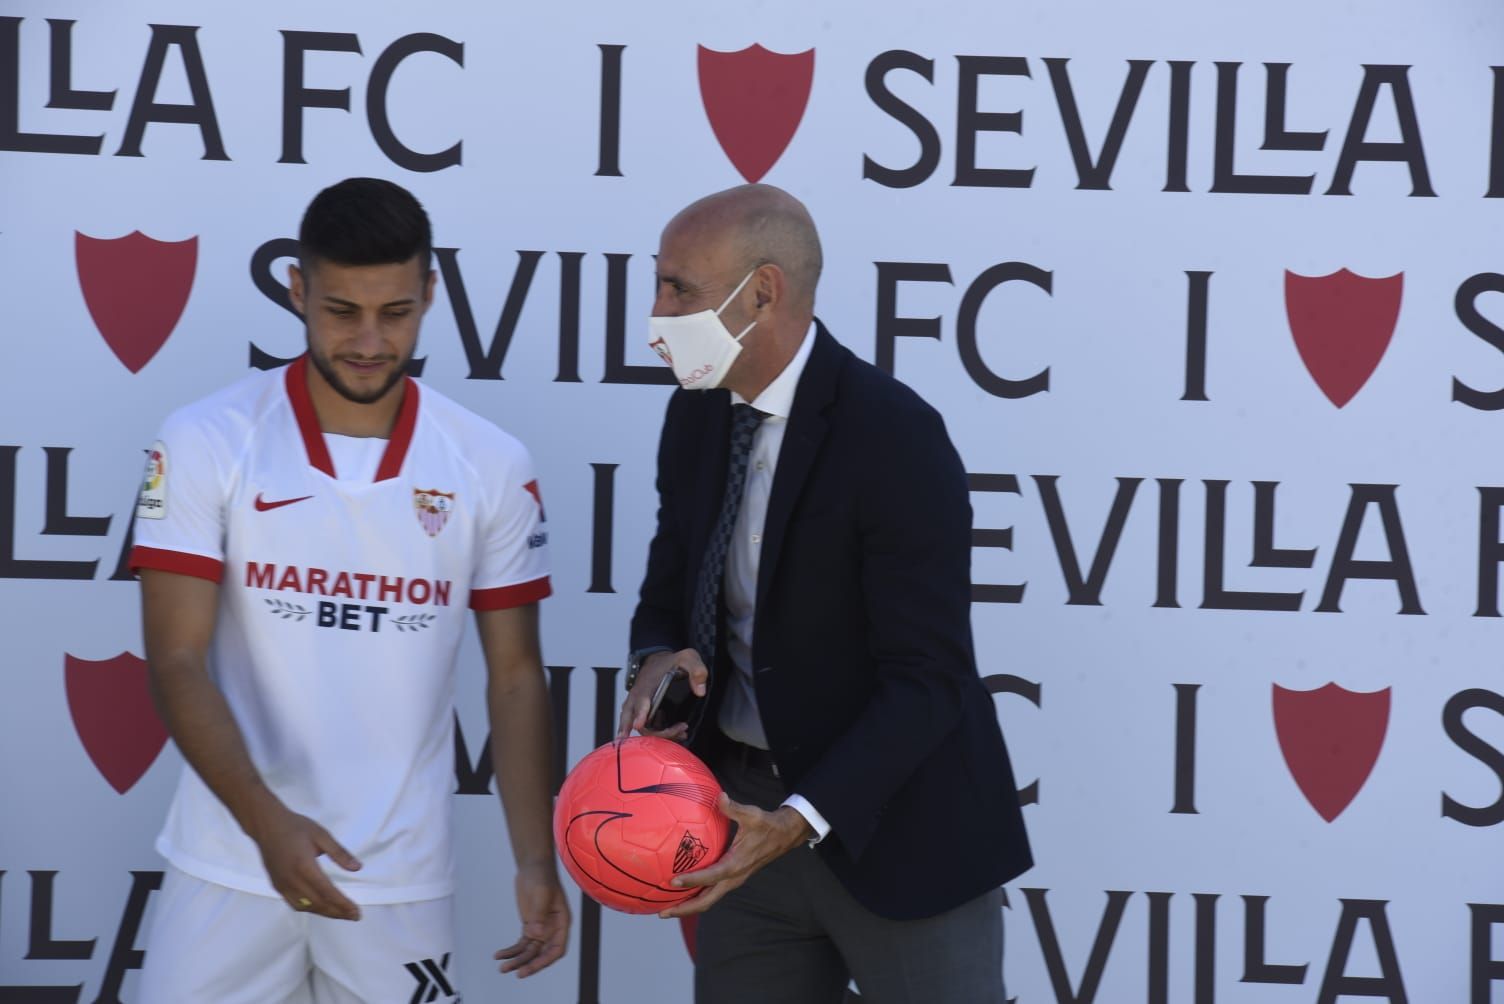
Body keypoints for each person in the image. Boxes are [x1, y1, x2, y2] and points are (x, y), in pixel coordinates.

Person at [130, 177, 569, 1002]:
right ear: (297, 290)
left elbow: (514, 676)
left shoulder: (490, 464)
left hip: (398, 880)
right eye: (340, 311)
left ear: (431, 293)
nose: (369, 339)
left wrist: (534, 860)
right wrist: (266, 823)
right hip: (228, 862)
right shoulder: (205, 440)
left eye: (396, 312)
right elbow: (176, 659)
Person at [619, 184, 1033, 1003]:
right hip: (743, 822)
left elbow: (929, 677)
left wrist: (804, 816)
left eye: (680, 290)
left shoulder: (895, 435)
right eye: (660, 283)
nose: (658, 313)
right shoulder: (695, 416)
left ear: (762, 292)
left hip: (901, 832)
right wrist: (654, 657)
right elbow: (667, 590)